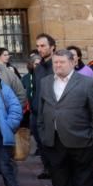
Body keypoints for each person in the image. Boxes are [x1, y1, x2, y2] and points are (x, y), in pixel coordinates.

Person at [36, 47, 93, 186]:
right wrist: (43, 133)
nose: (58, 65)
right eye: (55, 62)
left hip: (82, 141)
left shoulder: (87, 83)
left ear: (72, 62)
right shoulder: (45, 82)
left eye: (62, 62)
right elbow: (41, 111)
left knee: (82, 183)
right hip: (54, 141)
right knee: (60, 181)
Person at [30, 34, 56, 178]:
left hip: (51, 114)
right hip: (37, 113)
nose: (39, 49)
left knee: (53, 149)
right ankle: (47, 169)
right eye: (38, 46)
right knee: (42, 146)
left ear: (52, 47)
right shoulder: (38, 68)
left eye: (43, 46)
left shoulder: (57, 66)